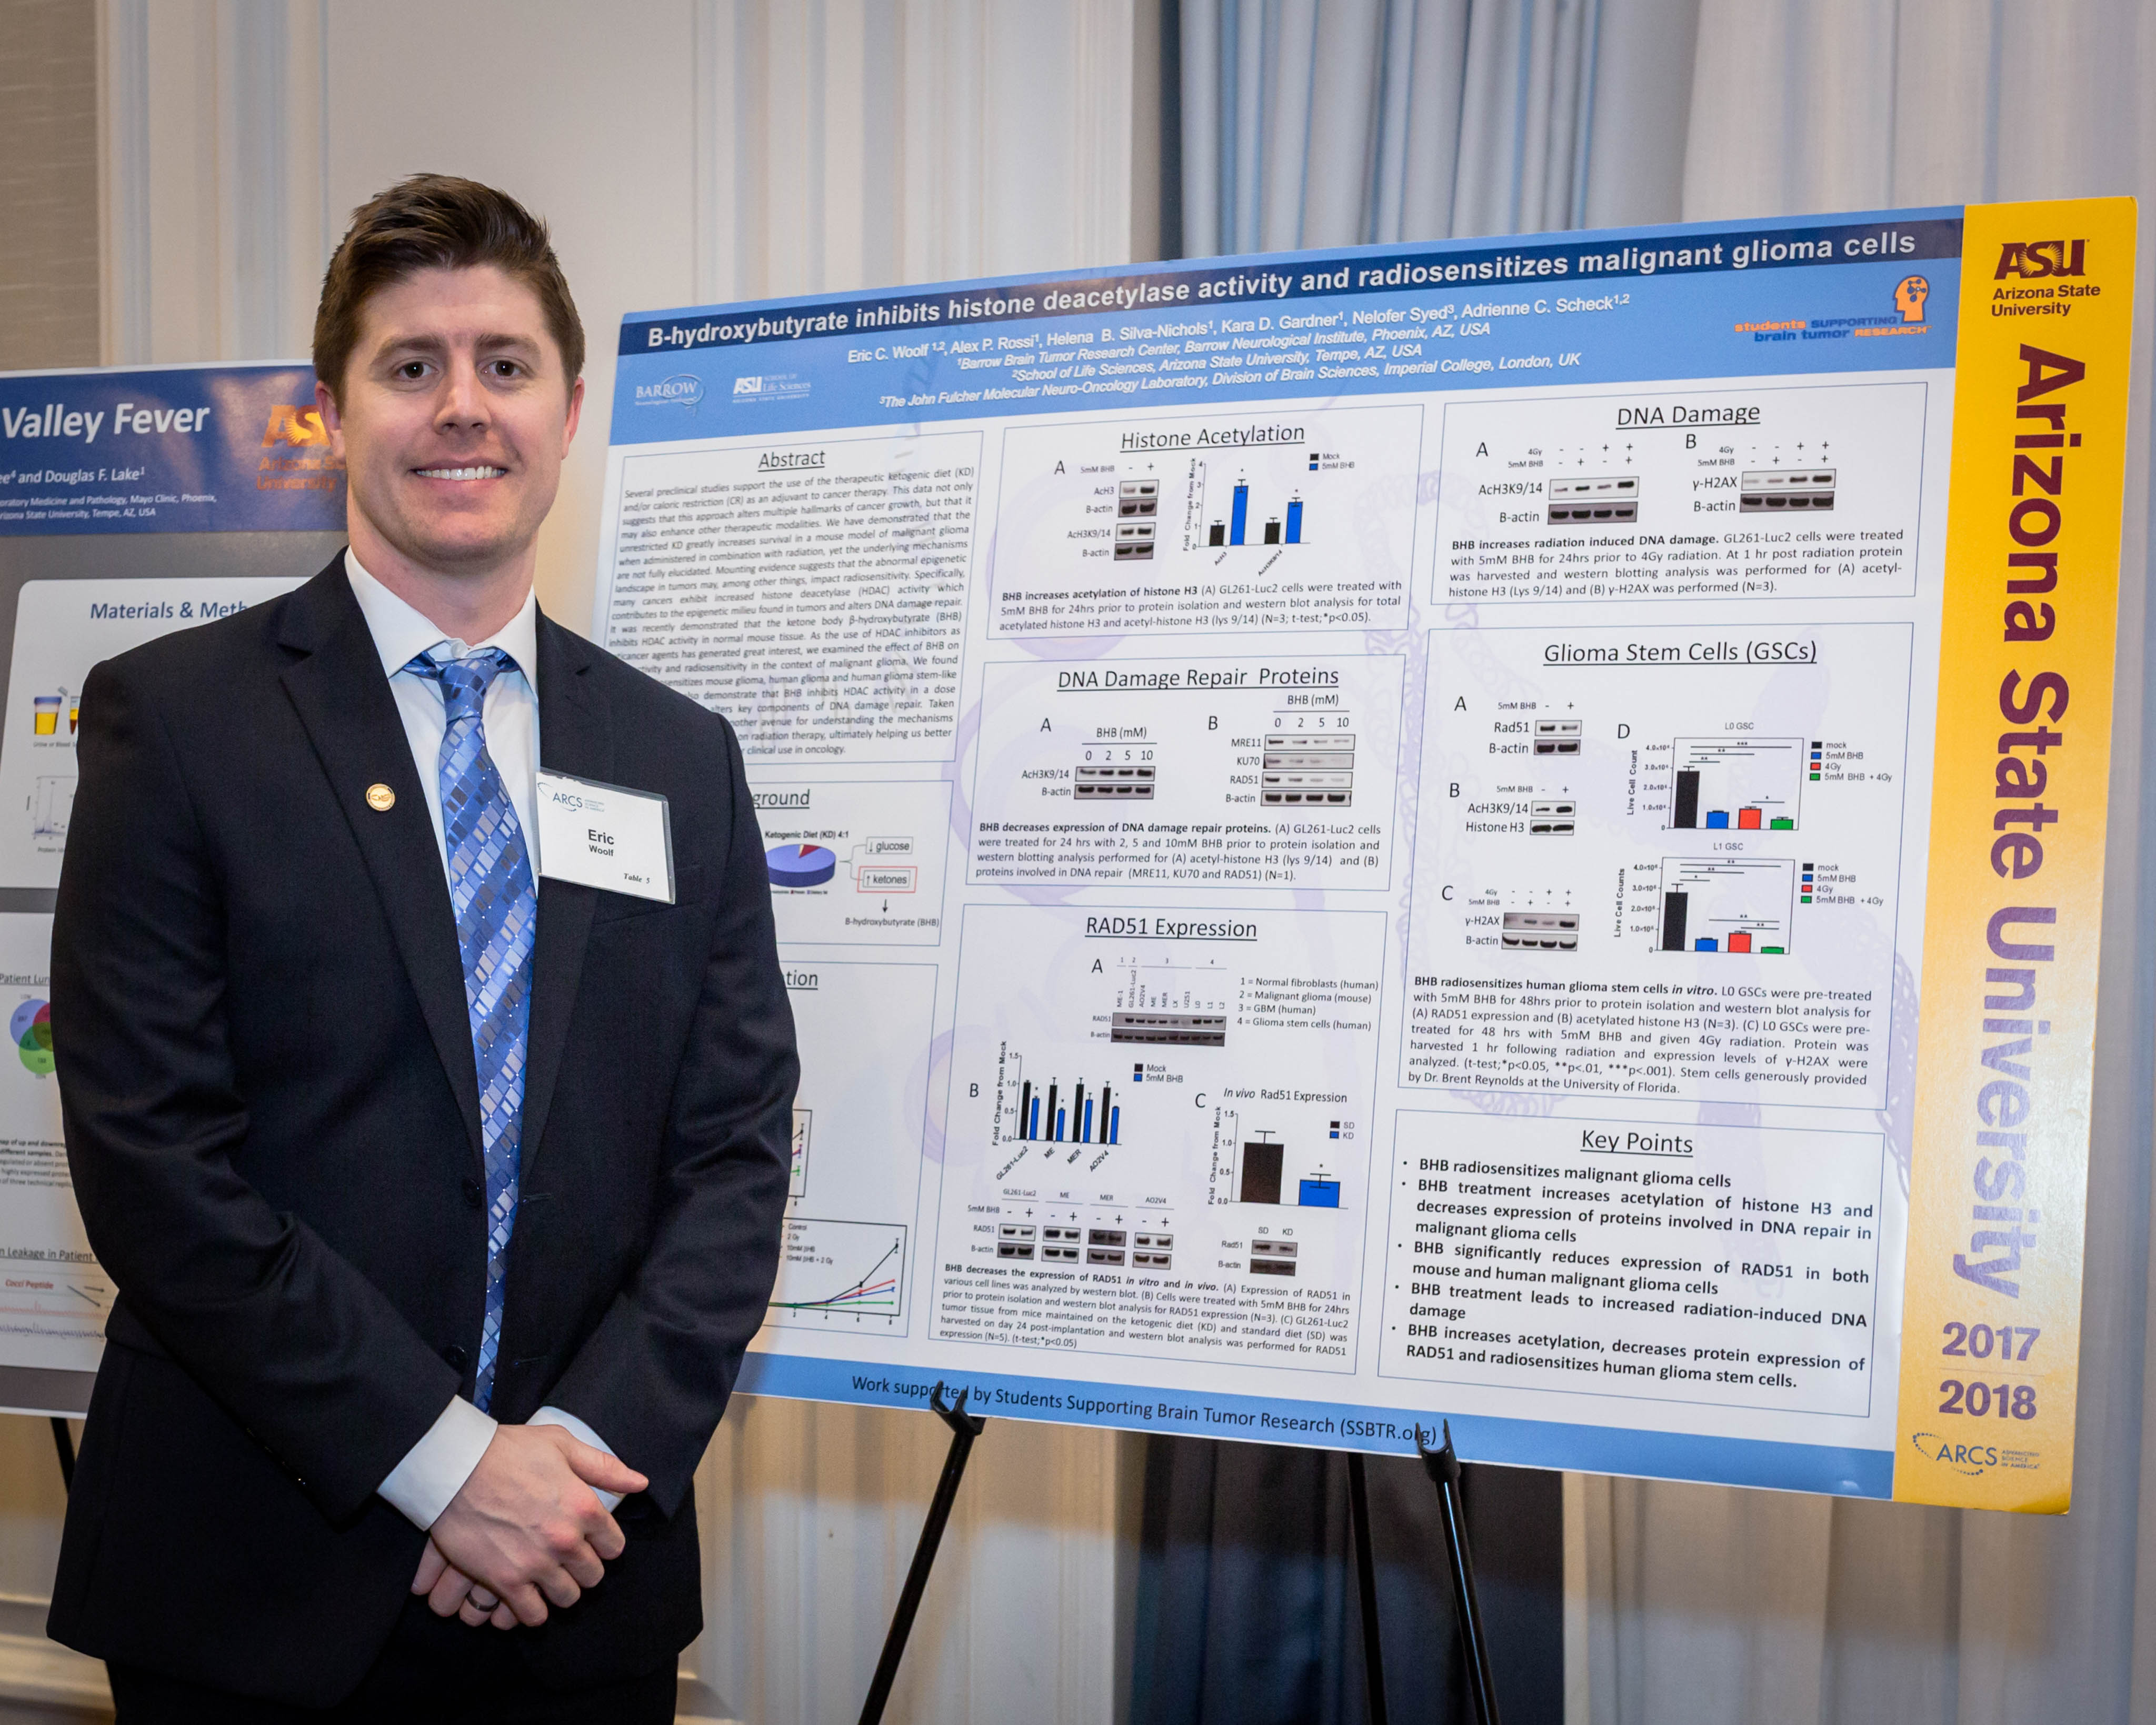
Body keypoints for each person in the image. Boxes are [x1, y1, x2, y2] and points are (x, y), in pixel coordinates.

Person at [46, 174, 796, 1719]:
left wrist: (563, 1467)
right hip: (255, 1581)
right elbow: (152, 1163)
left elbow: (734, 1155)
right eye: (411, 366)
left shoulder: (678, 756)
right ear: (332, 416)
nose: (464, 406)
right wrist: (447, 1467)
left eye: (505, 365)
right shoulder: (175, 722)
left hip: (583, 1568)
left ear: (569, 413)